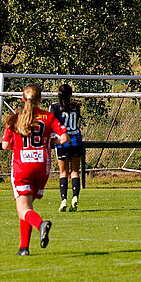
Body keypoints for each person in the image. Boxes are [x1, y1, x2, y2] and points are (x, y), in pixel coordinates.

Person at [2, 83, 68, 256]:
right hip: (42, 167)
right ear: (40, 99)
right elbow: (64, 138)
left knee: (23, 209)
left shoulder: (15, 119)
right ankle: (24, 248)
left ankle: (40, 224)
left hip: (22, 168)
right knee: (28, 206)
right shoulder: (48, 117)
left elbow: (5, 145)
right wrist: (52, 142)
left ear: (23, 98)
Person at [51, 83, 85, 213]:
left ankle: (63, 199)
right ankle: (75, 197)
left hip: (62, 140)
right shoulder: (76, 106)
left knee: (63, 172)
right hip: (76, 139)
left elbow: (53, 124)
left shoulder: (54, 107)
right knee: (75, 171)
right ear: (70, 94)